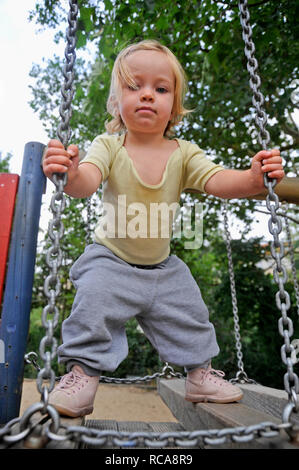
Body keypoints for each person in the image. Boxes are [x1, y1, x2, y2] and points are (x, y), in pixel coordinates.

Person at [43, 40, 284, 418]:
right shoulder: (109, 145)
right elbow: (85, 183)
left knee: (189, 309)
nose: (147, 96)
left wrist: (253, 179)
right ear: (115, 100)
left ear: (174, 103)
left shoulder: (185, 153)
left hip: (161, 267)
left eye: (161, 89)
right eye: (134, 86)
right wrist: (70, 173)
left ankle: (199, 374)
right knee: (94, 302)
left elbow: (219, 181)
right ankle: (82, 375)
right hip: (110, 259)